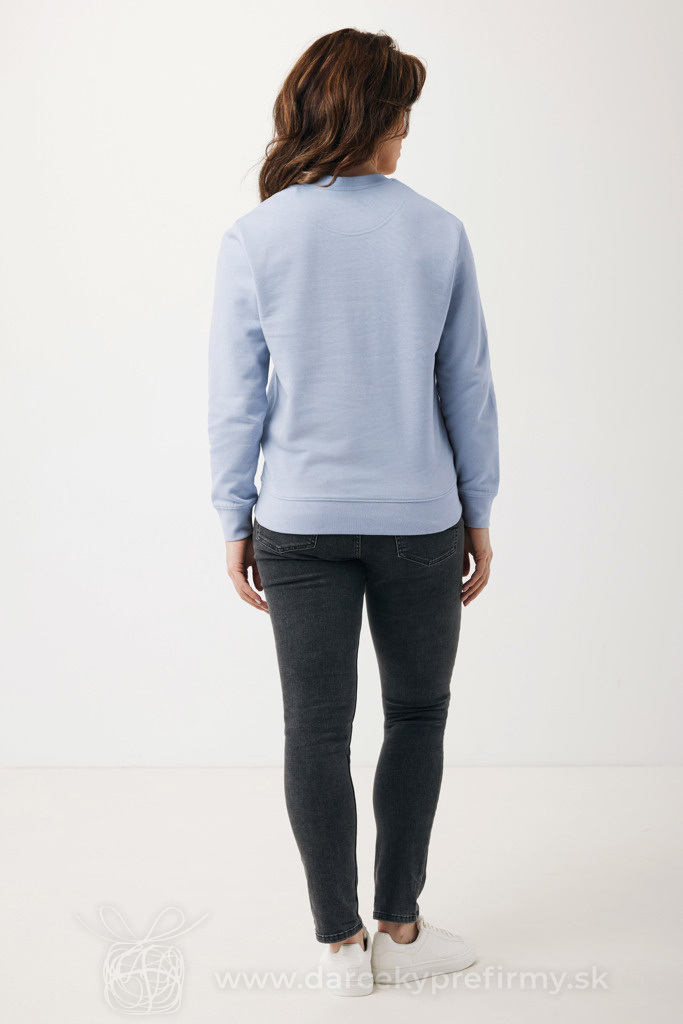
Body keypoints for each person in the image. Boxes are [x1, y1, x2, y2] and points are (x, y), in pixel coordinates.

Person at [207, 27, 499, 995]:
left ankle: (340, 950)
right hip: (420, 521)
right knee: (415, 714)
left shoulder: (257, 236)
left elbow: (235, 398)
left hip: (295, 522)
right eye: (402, 110)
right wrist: (478, 509)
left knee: (314, 728)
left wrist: (234, 518)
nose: (408, 129)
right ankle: (399, 931)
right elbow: (466, 388)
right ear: (375, 115)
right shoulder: (437, 231)